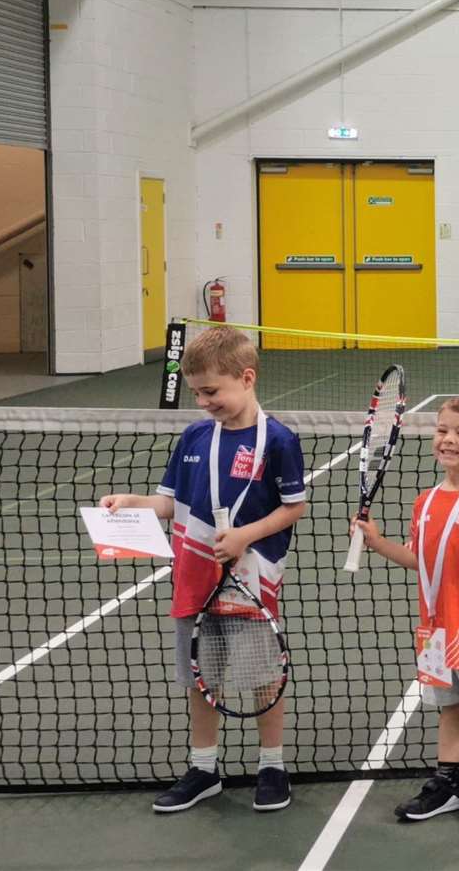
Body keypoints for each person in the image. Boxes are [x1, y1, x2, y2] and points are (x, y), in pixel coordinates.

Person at [99, 324, 307, 812]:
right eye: (196, 393)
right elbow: (170, 503)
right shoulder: (194, 436)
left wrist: (245, 536)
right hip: (194, 580)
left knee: (263, 679)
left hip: (252, 580)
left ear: (246, 377)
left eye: (211, 391)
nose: (203, 401)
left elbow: (294, 506)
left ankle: (272, 765)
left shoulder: (277, 440)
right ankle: (203, 767)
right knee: (200, 678)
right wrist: (130, 502)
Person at [352, 394, 459, 823]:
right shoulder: (424, 502)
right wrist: (379, 542)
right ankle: (447, 783)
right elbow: (420, 558)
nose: (448, 438)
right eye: (443, 429)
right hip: (434, 625)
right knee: (448, 705)